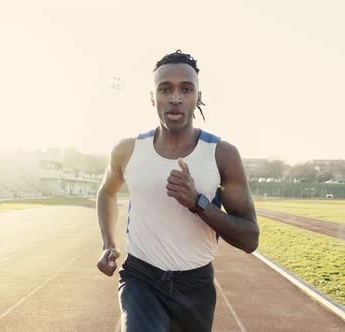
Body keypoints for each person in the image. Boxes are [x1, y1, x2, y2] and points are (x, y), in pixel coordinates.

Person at [96, 49, 259, 332]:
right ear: (152, 98)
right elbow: (107, 192)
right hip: (141, 277)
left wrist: (198, 202)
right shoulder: (127, 151)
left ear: (198, 97)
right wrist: (108, 243)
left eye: (186, 89)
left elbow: (250, 238)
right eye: (165, 89)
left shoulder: (222, 154)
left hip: (195, 286)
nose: (175, 98)